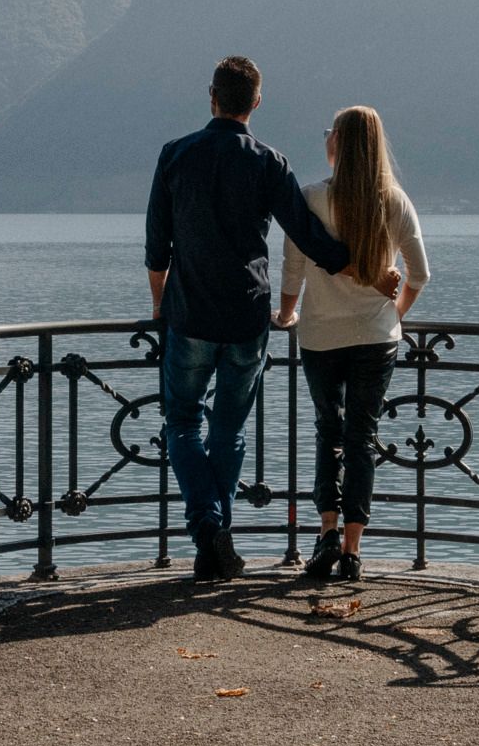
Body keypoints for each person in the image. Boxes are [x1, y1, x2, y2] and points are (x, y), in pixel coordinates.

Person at [143, 56, 397, 582]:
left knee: (182, 423)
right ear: (256, 102)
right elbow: (308, 237)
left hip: (188, 315)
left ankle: (210, 529)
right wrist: (370, 275)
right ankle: (218, 538)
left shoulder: (175, 155)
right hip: (247, 318)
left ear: (210, 96)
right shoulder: (269, 163)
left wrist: (158, 304)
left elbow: (156, 247)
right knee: (229, 431)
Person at [274, 106, 429, 585]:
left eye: (329, 133)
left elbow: (293, 269)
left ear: (337, 143)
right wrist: (393, 318)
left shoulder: (311, 199)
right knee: (362, 439)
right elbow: (420, 274)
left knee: (329, 431)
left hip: (320, 336)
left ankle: (325, 531)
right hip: (375, 338)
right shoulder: (395, 202)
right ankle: (353, 550)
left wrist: (285, 316)